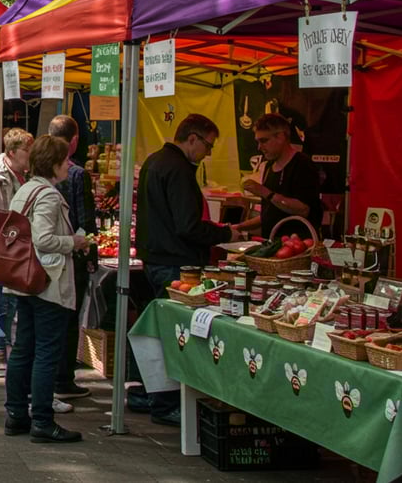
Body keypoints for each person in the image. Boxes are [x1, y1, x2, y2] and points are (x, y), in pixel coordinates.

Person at [135, 114, 242, 425]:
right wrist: (225, 234)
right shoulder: (178, 169)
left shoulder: (155, 161)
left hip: (156, 258)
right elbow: (188, 226)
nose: (208, 152)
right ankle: (165, 403)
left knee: (158, 332)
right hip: (175, 263)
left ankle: (146, 393)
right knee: (174, 334)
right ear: (192, 138)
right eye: (208, 145)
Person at [3, 135, 93, 443]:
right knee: (45, 353)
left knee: (24, 349)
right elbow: (42, 239)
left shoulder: (25, 189)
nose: (69, 164)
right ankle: (42, 419)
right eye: (65, 160)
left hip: (25, 281)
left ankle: (16, 414)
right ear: (53, 163)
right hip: (47, 282)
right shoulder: (48, 195)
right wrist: (74, 242)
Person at [47, 115, 98, 405]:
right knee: (68, 318)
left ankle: (55, 376)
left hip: (47, 258)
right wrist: (90, 254)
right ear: (75, 141)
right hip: (71, 254)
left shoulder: (37, 173)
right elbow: (86, 221)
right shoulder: (77, 174)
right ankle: (63, 378)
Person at [0, 127, 33, 376]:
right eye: (27, 150)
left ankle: (4, 346)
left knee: (10, 300)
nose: (31, 155)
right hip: (4, 247)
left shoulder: (24, 175)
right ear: (12, 152)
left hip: (19, 247)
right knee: (1, 301)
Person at [234, 113, 323, 239]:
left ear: (280, 137)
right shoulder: (269, 166)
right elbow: (270, 214)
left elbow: (303, 210)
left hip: (298, 244)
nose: (259, 147)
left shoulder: (303, 165)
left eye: (264, 141)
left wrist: (265, 192)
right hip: (273, 244)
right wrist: (239, 227)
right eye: (258, 142)